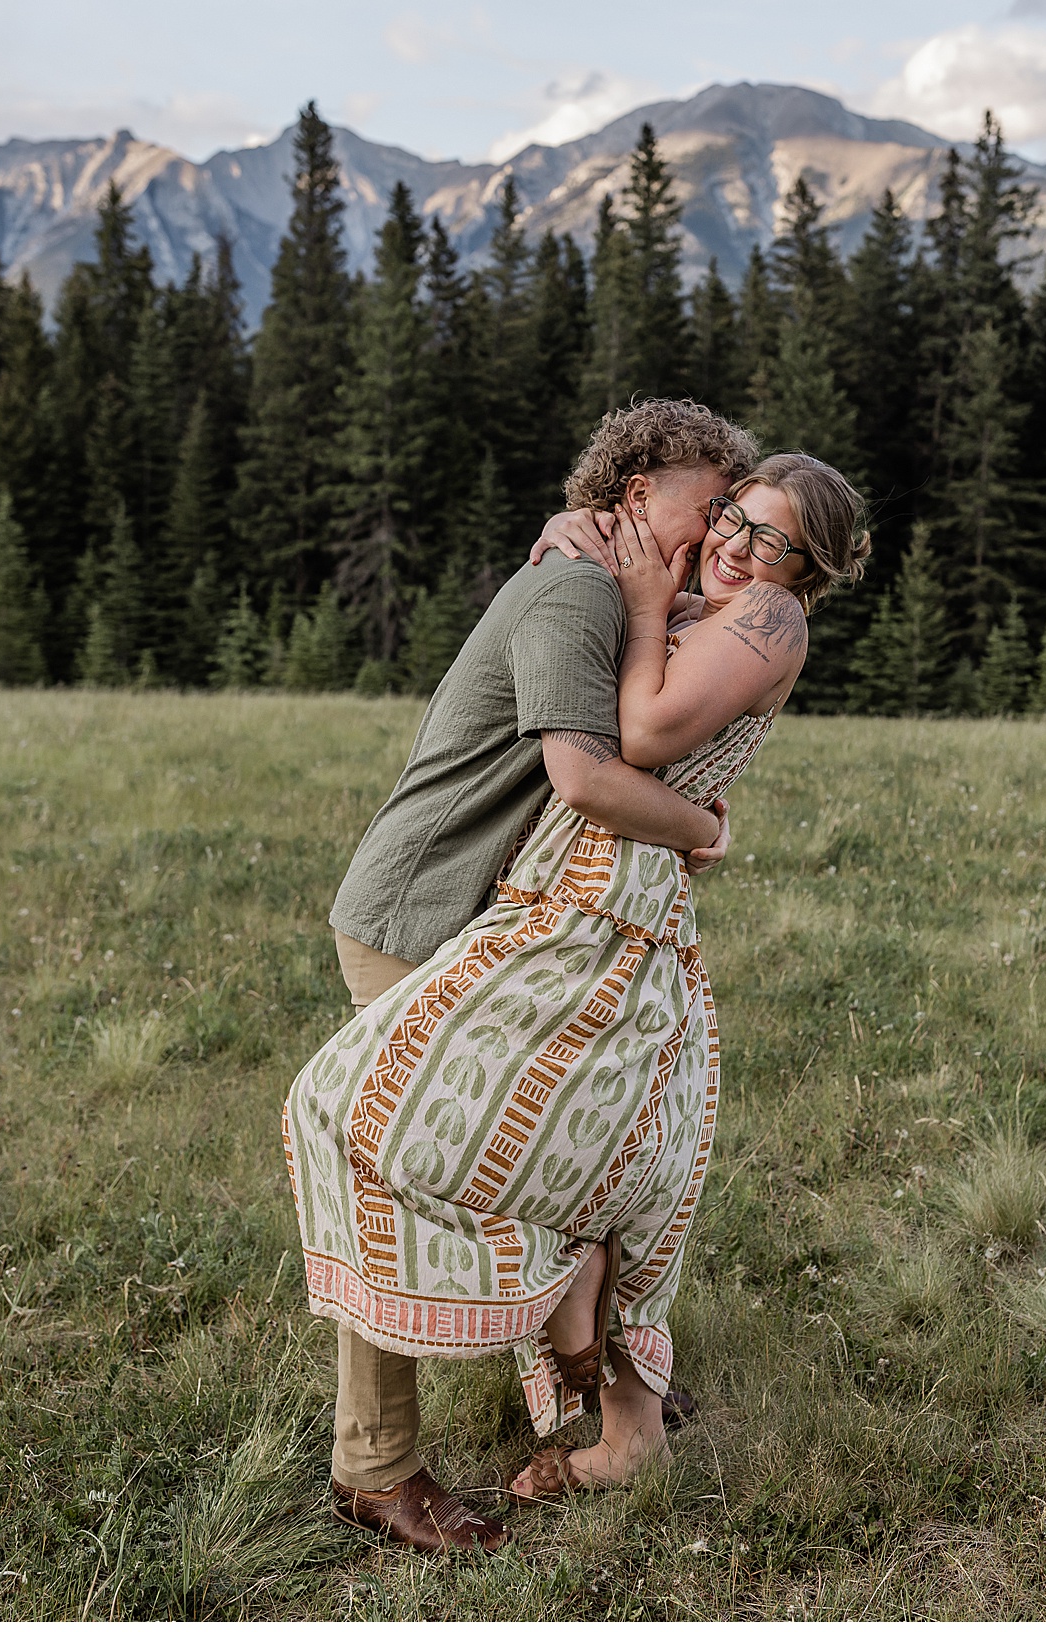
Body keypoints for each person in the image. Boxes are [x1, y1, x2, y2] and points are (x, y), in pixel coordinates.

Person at [283, 437, 870, 1542]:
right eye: (720, 513)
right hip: (431, 907)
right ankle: (385, 1458)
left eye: (761, 535)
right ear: (639, 496)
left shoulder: (710, 605)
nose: (723, 543)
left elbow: (648, 725)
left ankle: (601, 1379)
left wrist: (639, 590)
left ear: (809, 565)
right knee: (409, 1148)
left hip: (550, 912)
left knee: (583, 1153)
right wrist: (705, 824)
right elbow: (591, 768)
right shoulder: (581, 587)